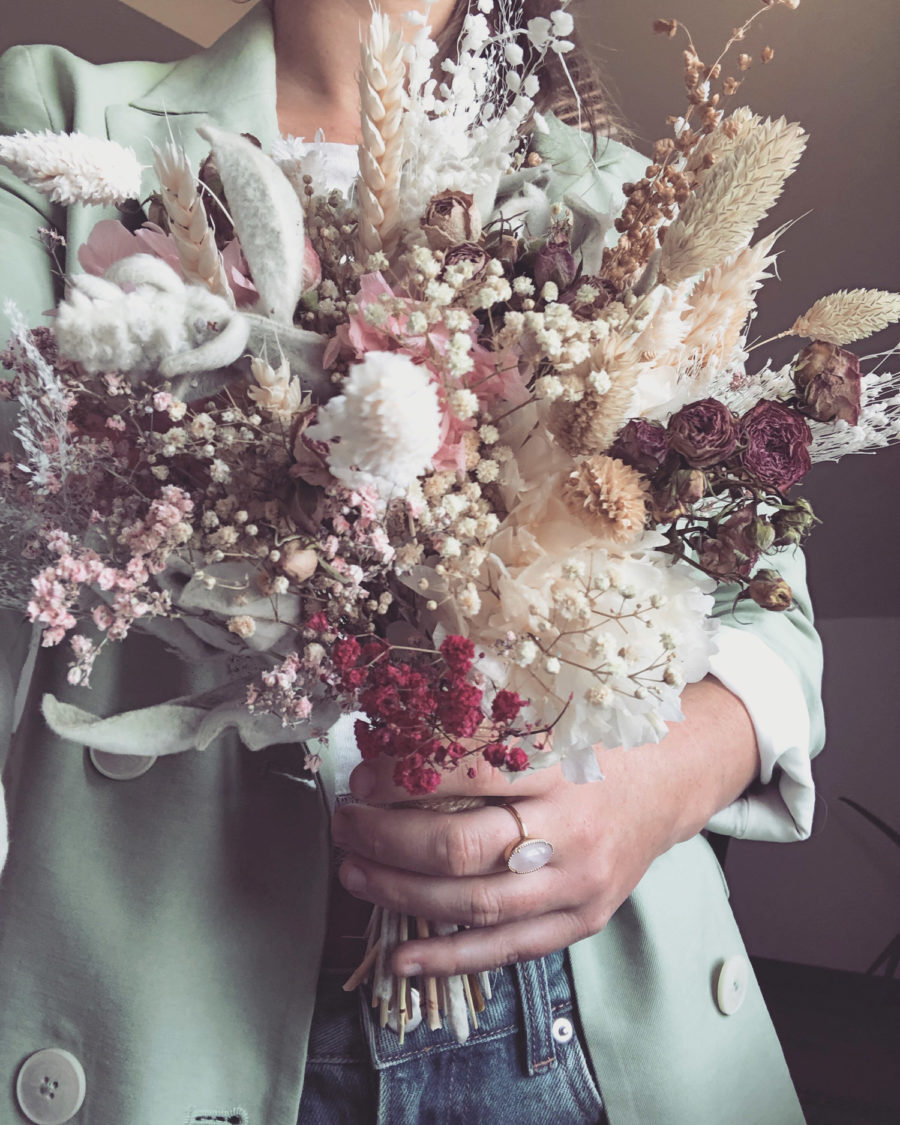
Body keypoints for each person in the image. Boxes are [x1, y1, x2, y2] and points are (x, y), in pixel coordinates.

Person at [0, 2, 824, 1122]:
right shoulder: (58, 117)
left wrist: (644, 794)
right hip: (184, 1003)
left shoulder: (624, 195)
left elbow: (764, 609)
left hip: (574, 999)